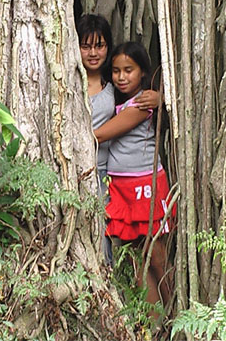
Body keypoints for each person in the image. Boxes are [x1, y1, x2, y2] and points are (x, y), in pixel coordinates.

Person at [93, 41, 174, 316]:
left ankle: (176, 314)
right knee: (137, 260)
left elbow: (102, 134)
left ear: (142, 72)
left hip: (145, 186)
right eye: (116, 71)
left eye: (129, 70)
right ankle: (154, 325)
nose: (122, 76)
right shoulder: (117, 100)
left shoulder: (142, 102)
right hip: (121, 188)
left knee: (157, 256)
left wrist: (162, 97)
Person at [76, 15, 159, 266]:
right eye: (86, 46)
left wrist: (159, 98)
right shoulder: (66, 80)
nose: (93, 53)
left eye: (99, 45)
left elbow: (138, 102)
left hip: (103, 176)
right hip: (67, 169)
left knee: (102, 244)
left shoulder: (114, 88)